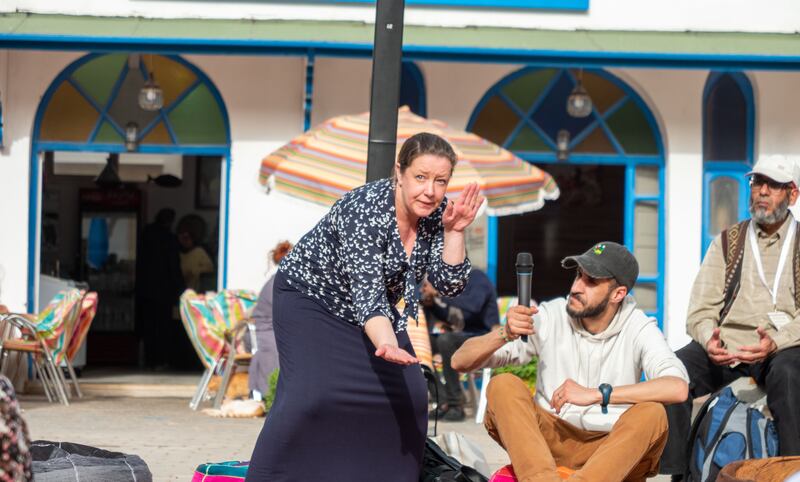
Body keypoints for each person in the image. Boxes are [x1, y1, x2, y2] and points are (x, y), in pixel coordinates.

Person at [245, 132, 483, 482]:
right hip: (311, 299)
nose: (430, 191)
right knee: (309, 398)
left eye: (440, 181)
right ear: (399, 172)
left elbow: (449, 284)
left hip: (375, 313)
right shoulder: (364, 209)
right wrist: (386, 343)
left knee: (410, 399)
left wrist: (456, 232)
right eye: (420, 177)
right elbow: (368, 295)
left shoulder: (437, 215)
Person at [452, 242, 689, 482]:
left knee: (652, 413)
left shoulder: (639, 327)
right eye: (578, 275)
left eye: (591, 281)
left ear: (618, 294)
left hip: (612, 452)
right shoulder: (551, 315)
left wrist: (597, 394)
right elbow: (460, 361)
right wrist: (505, 333)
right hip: (549, 445)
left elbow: (677, 387)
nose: (576, 287)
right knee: (503, 385)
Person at [660, 155, 800, 480]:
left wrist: (776, 342)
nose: (762, 191)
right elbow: (699, 310)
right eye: (757, 182)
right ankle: (676, 473)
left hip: (780, 349)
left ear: (792, 194)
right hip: (727, 348)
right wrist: (709, 338)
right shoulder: (729, 241)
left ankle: (792, 471)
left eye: (773, 185)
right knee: (672, 372)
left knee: (789, 375)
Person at [422, 268, 499, 421]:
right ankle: (442, 401)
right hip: (464, 335)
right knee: (424, 342)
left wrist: (439, 293)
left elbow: (474, 306)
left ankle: (455, 405)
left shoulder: (477, 278)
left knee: (446, 340)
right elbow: (454, 317)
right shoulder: (455, 284)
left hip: (483, 336)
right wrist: (431, 305)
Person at [135, 208, 185, 369]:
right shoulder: (169, 239)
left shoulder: (146, 234)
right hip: (164, 290)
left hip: (145, 289)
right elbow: (174, 266)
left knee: (148, 326)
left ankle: (149, 360)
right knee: (163, 326)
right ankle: (161, 360)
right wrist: (181, 288)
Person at [248, 240, 292, 397]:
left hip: (271, 328)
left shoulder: (281, 280)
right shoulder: (279, 282)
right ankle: (270, 396)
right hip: (263, 331)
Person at [176, 214, 215, 292]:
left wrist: (194, 271)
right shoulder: (175, 252)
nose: (184, 241)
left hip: (192, 291)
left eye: (187, 238)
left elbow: (210, 268)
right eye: (182, 238)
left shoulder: (199, 251)